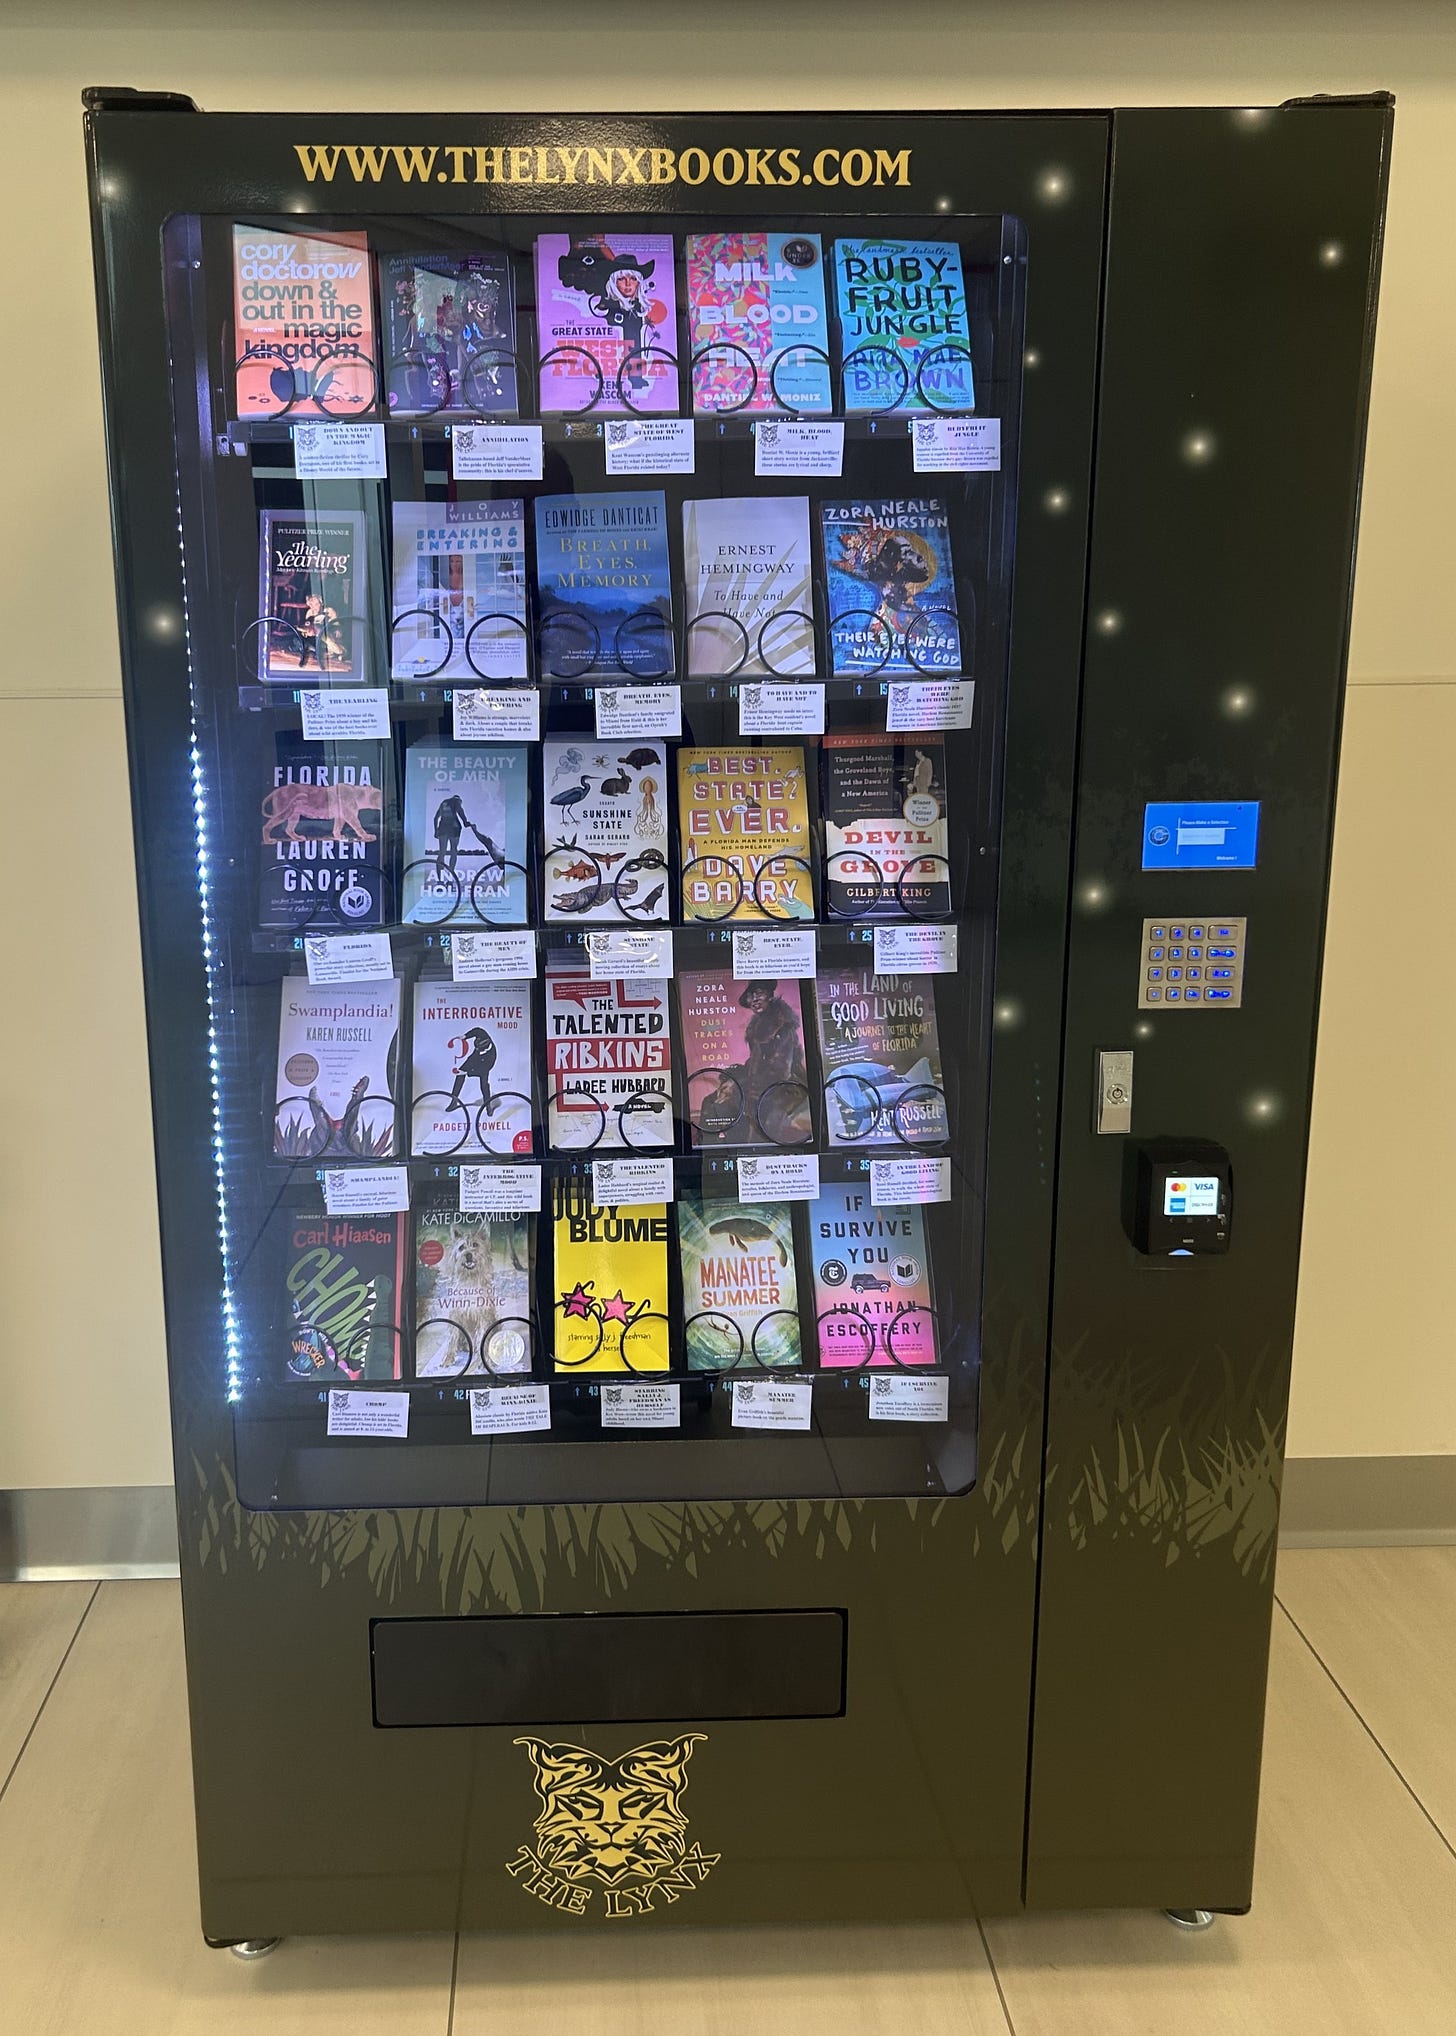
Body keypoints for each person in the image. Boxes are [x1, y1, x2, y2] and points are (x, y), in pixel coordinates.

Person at [447, 1027, 497, 1110]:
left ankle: (488, 1106)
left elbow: (481, 1071)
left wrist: (467, 1073)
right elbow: (476, 1030)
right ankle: (454, 1101)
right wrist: (465, 1036)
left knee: (484, 1085)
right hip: (475, 1057)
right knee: (460, 1073)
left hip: (484, 1064)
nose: (476, 1049)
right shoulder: (483, 1035)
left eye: (478, 1049)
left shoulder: (491, 1058)